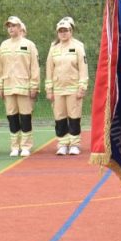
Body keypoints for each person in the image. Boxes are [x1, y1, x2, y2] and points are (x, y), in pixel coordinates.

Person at [0, 16, 39, 157]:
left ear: (20, 27)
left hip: (24, 86)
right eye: (9, 26)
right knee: (12, 117)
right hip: (8, 86)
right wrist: (0, 85)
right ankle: (15, 146)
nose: (11, 28)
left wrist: (34, 86)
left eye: (13, 26)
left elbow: (34, 67)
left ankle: (26, 146)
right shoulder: (4, 45)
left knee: (25, 117)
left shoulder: (29, 45)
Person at [45, 17, 88, 155]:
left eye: (66, 30)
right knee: (60, 117)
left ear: (71, 31)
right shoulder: (53, 48)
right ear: (57, 33)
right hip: (58, 88)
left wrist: (82, 87)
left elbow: (83, 68)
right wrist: (49, 89)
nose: (63, 33)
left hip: (73, 88)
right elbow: (49, 69)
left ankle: (74, 144)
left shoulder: (78, 47)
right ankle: (62, 144)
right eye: (60, 31)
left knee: (74, 116)